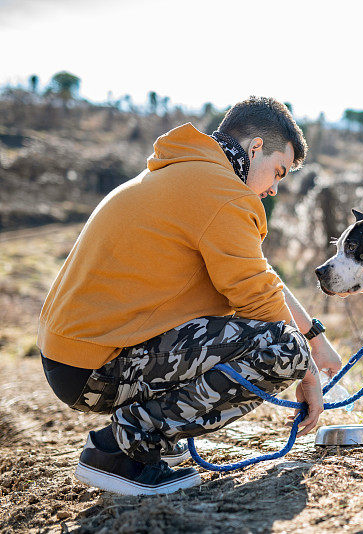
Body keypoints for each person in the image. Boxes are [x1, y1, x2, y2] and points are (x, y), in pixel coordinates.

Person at [37, 96, 342, 495]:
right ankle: (125, 449)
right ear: (255, 148)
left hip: (74, 358)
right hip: (97, 367)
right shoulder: (223, 194)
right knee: (284, 351)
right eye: (277, 171)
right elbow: (261, 304)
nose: (273, 188)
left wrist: (316, 338)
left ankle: (145, 433)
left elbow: (259, 278)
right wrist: (306, 369)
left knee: (294, 345)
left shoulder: (190, 173)